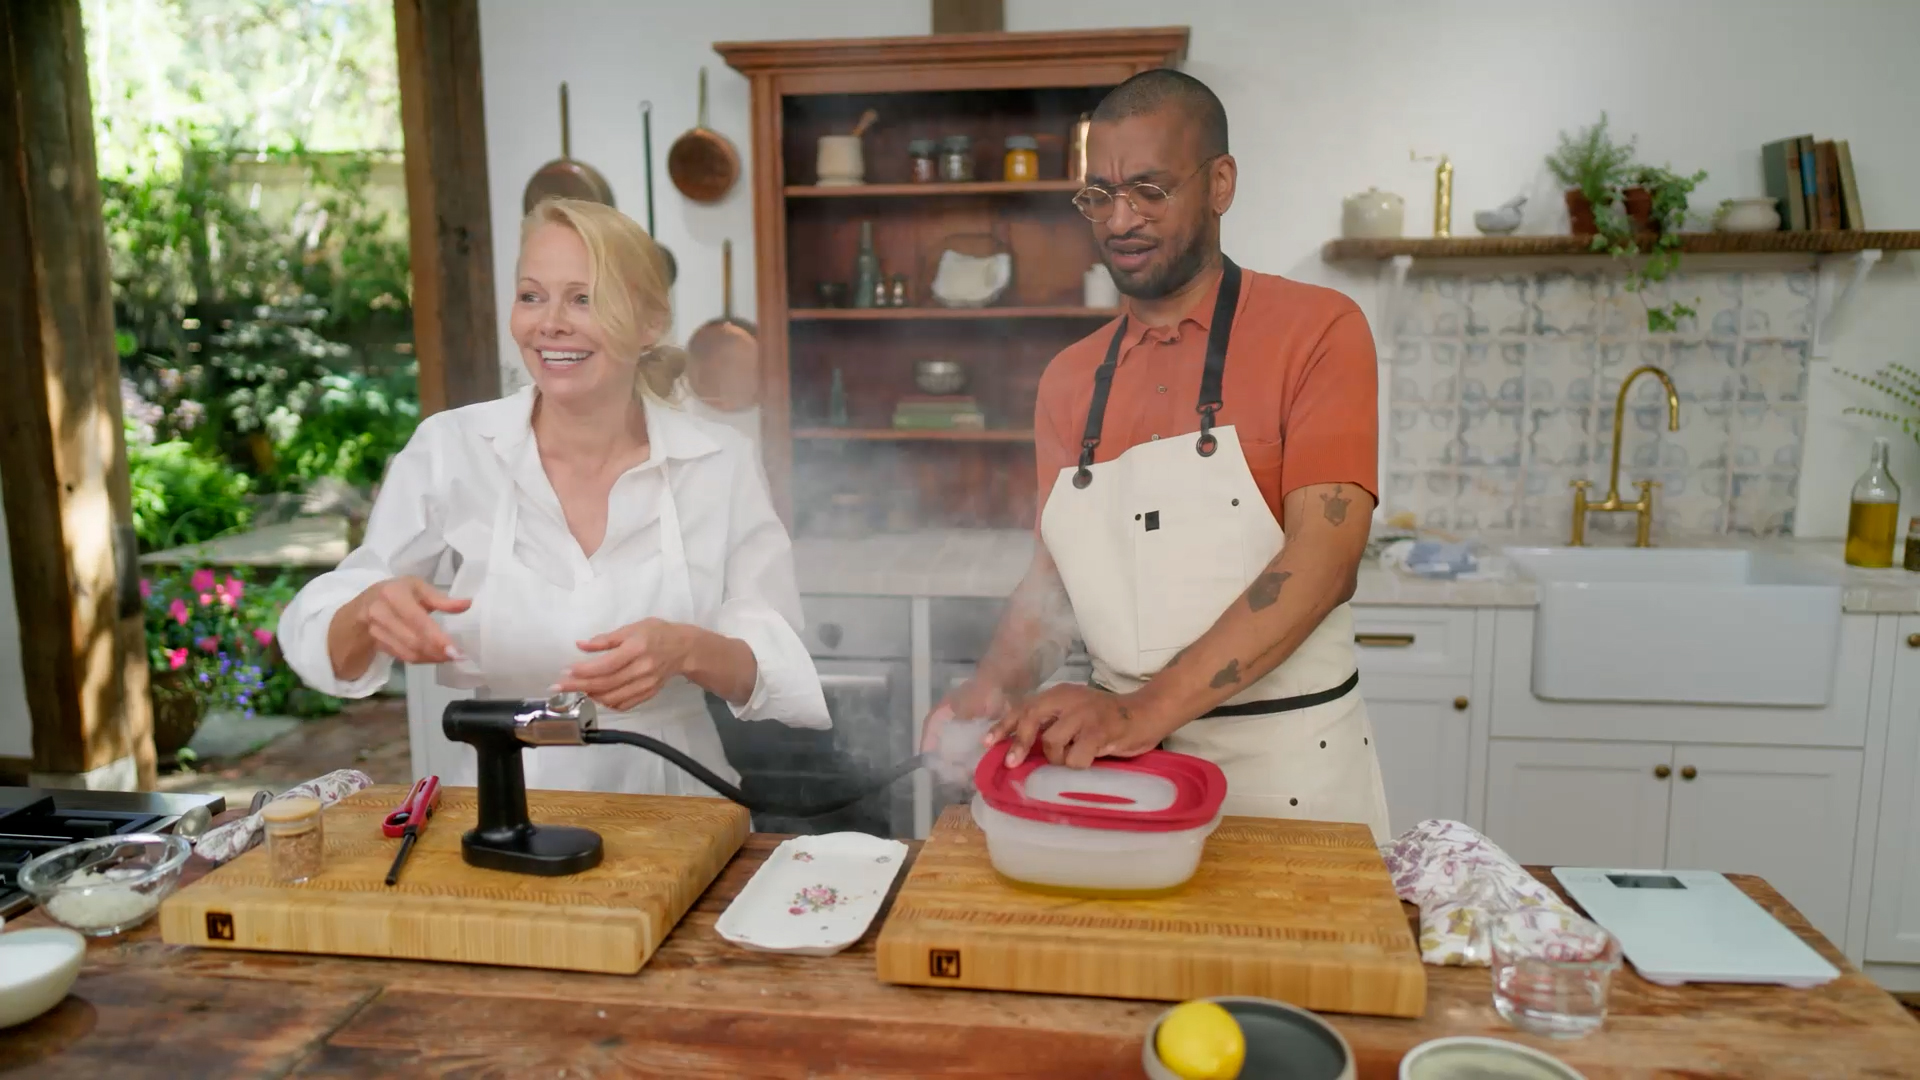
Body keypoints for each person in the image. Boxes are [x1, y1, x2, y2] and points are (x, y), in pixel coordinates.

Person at [923, 69, 1392, 843]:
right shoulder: (1068, 379)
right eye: (1099, 196)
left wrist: (1143, 709)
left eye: (1149, 190)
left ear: (1220, 183)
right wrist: (993, 685)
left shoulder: (1318, 331)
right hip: (1122, 774)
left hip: (1287, 776)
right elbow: (1054, 582)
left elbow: (1324, 560)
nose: (1121, 220)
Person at [279, 197, 829, 796]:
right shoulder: (452, 448)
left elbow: (774, 670)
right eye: (531, 295)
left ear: (649, 323)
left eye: (584, 299)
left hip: (677, 797)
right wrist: (368, 610)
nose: (550, 323)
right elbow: (328, 644)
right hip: (502, 792)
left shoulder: (718, 461)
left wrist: (688, 650)